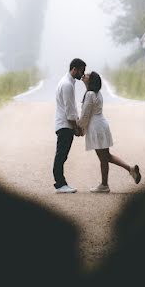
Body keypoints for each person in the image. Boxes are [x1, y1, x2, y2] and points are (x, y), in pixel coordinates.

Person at [78, 71, 142, 193]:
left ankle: (104, 185)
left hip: (96, 127)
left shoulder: (90, 94)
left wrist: (78, 126)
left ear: (91, 80)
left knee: (103, 158)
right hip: (102, 125)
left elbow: (85, 115)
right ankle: (130, 169)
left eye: (87, 75)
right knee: (106, 156)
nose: (84, 75)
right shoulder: (97, 93)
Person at [53, 58, 86, 193]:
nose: (83, 74)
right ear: (74, 69)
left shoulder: (67, 82)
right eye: (81, 71)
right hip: (65, 125)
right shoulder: (67, 84)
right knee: (61, 155)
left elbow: (71, 109)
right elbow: (69, 110)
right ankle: (60, 184)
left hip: (64, 124)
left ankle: (61, 183)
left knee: (62, 155)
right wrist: (76, 128)